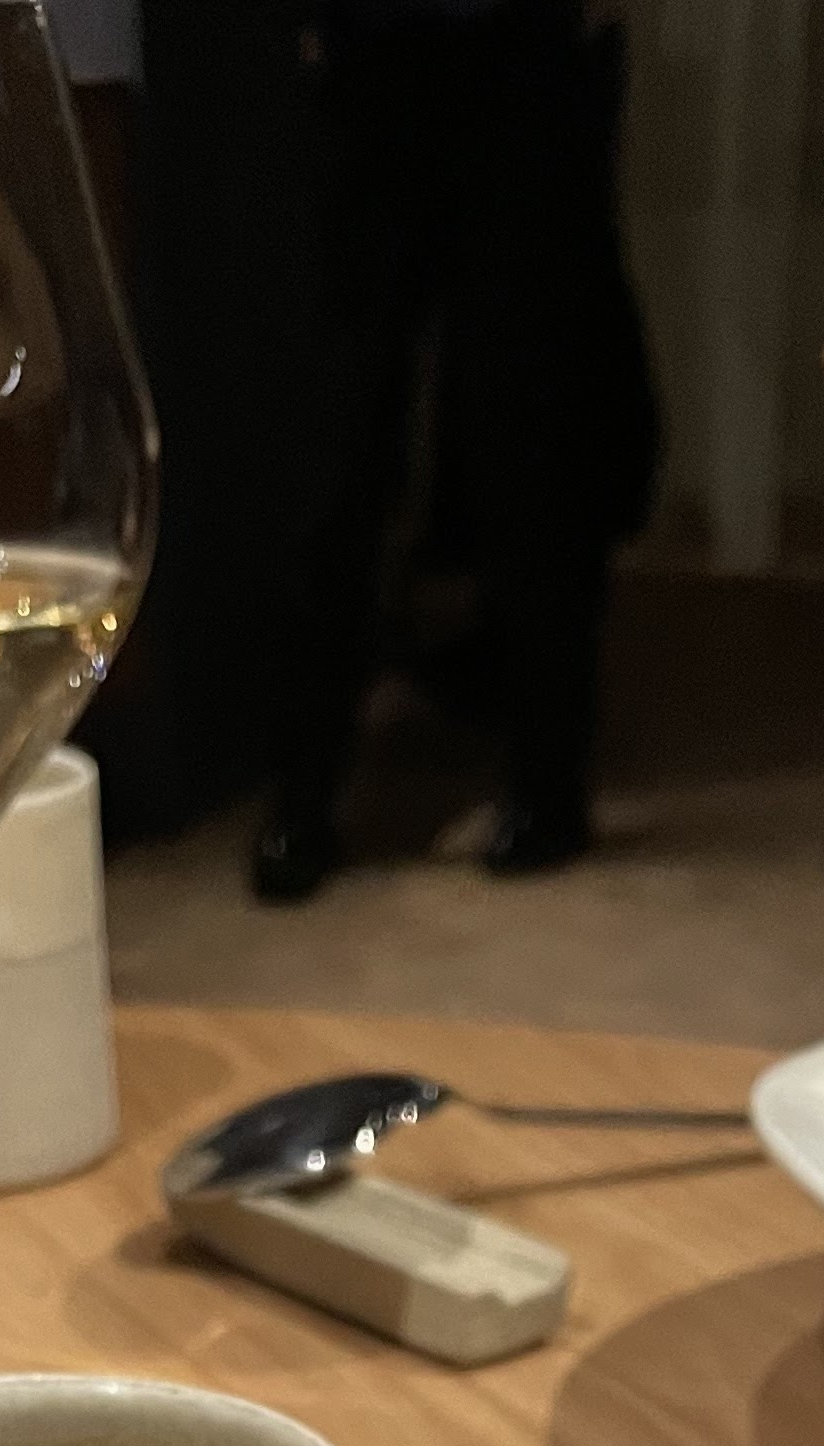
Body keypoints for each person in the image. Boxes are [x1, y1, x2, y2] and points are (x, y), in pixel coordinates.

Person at [247, 0, 658, 904]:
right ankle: (303, 792)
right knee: (337, 437)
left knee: (534, 428)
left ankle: (548, 782)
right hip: (368, 50)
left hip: (533, 45)